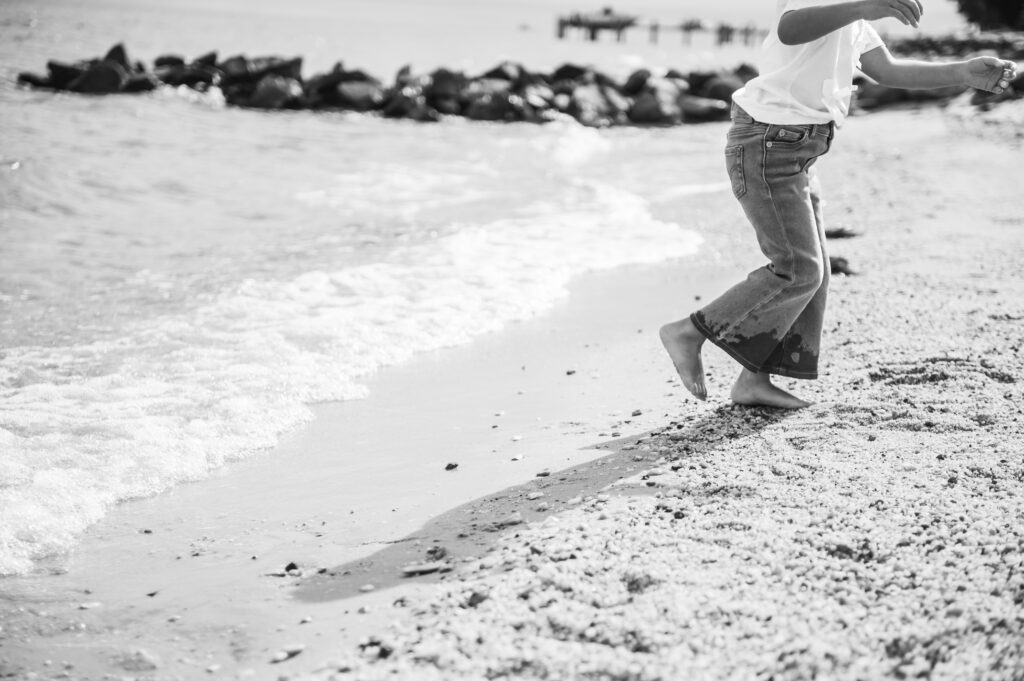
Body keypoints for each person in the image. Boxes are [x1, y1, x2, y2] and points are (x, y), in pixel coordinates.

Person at [660, 0, 1018, 409]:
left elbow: (888, 70)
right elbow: (790, 29)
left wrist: (962, 72)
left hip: (797, 153)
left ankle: (753, 381)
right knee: (798, 270)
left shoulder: (853, 18)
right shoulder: (820, 3)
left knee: (816, 274)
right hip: (766, 147)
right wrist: (866, 6)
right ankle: (688, 332)